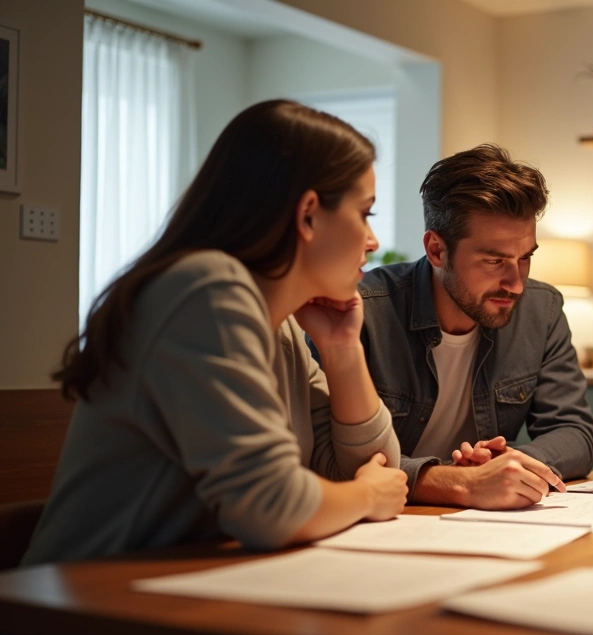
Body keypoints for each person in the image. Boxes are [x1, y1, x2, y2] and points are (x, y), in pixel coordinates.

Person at [23, 100, 408, 566]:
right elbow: (274, 507)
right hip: (74, 607)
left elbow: (369, 463)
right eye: (365, 213)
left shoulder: (280, 323)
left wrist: (342, 347)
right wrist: (366, 497)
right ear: (308, 215)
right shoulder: (207, 290)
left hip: (177, 585)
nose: (372, 241)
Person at [353, 144, 593, 510]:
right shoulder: (362, 312)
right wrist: (453, 481)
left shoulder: (541, 309)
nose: (516, 283)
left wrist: (509, 465)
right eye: (494, 260)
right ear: (437, 250)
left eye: (525, 258)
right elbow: (331, 456)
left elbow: (574, 433)